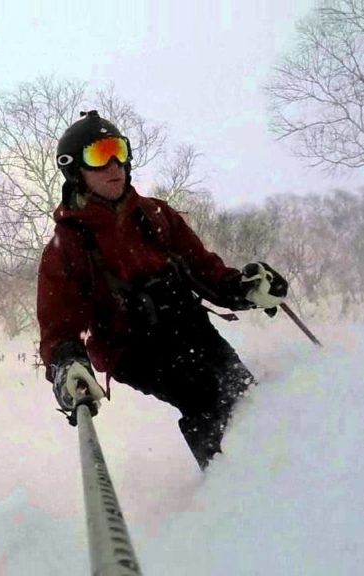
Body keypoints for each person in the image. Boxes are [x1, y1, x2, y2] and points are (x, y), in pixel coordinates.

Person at [37, 111, 288, 470]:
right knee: (205, 398)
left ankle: (281, 464)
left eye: (118, 151)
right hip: (134, 348)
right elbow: (57, 324)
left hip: (189, 326)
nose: (114, 165)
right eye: (98, 155)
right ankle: (233, 487)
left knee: (243, 390)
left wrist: (243, 289)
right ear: (75, 170)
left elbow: (204, 269)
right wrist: (66, 362)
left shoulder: (155, 214)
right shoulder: (68, 246)